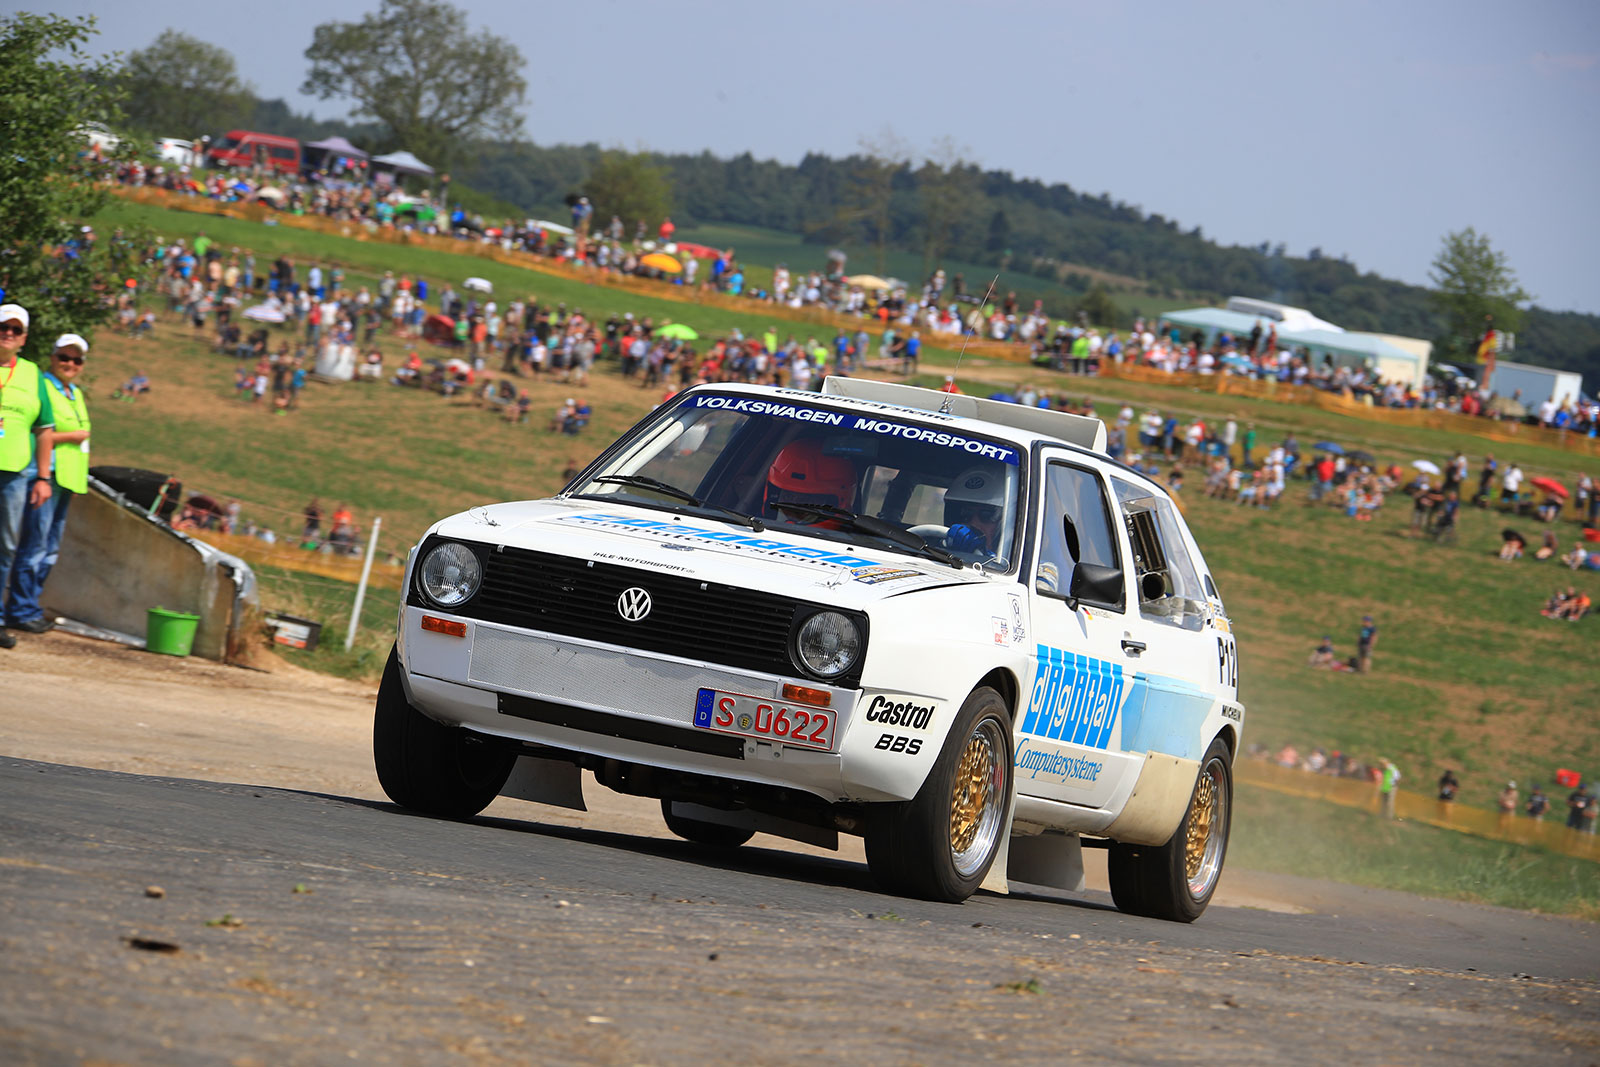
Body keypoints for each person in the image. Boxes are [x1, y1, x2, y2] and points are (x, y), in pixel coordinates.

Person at [6, 334, 91, 632]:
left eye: (76, 360)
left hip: (67, 478)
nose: (70, 364)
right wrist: (71, 437)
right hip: (45, 475)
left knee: (50, 548)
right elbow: (35, 430)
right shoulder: (42, 385)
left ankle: (30, 604)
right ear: (53, 358)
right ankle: (20, 608)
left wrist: (77, 480)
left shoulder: (75, 393)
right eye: (64, 357)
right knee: (35, 545)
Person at [0, 304, 55, 649]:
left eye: (15, 329)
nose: (8, 333)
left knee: (5, 547)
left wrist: (43, 478)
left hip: (15, 473)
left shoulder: (33, 374)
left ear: (24, 338)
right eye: (3, 327)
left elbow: (45, 429)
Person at [764, 439, 856, 526]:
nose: (794, 505)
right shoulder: (759, 524)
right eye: (788, 496)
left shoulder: (850, 536)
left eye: (805, 501)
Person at [941, 467, 1007, 563]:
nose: (973, 523)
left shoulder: (1009, 567)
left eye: (987, 515)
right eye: (965, 514)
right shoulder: (931, 552)